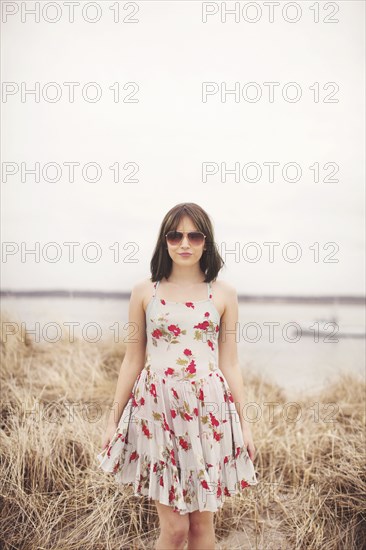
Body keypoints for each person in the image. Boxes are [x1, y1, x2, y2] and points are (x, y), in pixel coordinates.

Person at [96, 202, 259, 550]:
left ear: (206, 242)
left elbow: (230, 363)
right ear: (164, 240)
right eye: (175, 234)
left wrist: (245, 425)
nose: (184, 243)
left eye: (194, 235)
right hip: (157, 409)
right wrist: (113, 419)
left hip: (208, 411)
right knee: (175, 530)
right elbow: (132, 360)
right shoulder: (145, 291)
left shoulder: (224, 293)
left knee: (201, 526)